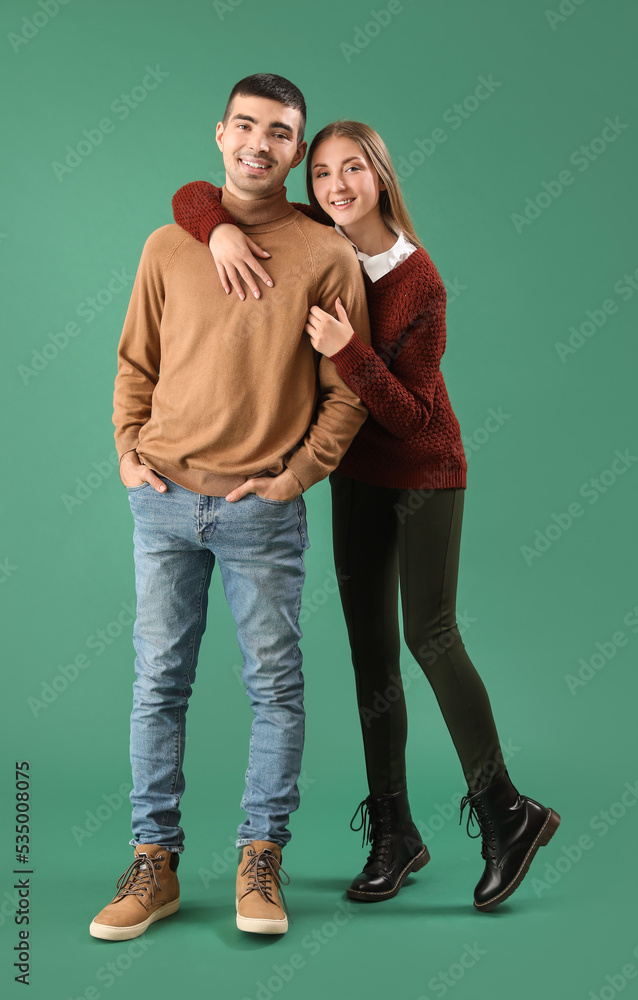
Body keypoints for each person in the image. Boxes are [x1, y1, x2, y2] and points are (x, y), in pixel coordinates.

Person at [171, 119, 561, 913]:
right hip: (355, 477)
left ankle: (505, 814)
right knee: (369, 650)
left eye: (353, 171)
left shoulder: (421, 283)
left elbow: (416, 419)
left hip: (426, 473)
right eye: (321, 174)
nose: (335, 187)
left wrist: (350, 350)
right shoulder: (319, 233)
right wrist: (215, 234)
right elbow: (192, 195)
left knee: (430, 635)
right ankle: (393, 832)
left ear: (382, 177)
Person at [90, 76, 371, 942]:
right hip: (163, 501)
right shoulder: (167, 244)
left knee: (276, 689)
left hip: (261, 512)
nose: (260, 143)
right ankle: (154, 862)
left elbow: (347, 391)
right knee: (156, 685)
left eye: (280, 133)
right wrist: (128, 453)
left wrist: (296, 478)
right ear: (220, 134)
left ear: (296, 151)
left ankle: (261, 856)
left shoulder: (326, 255)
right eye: (245, 125)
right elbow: (135, 359)